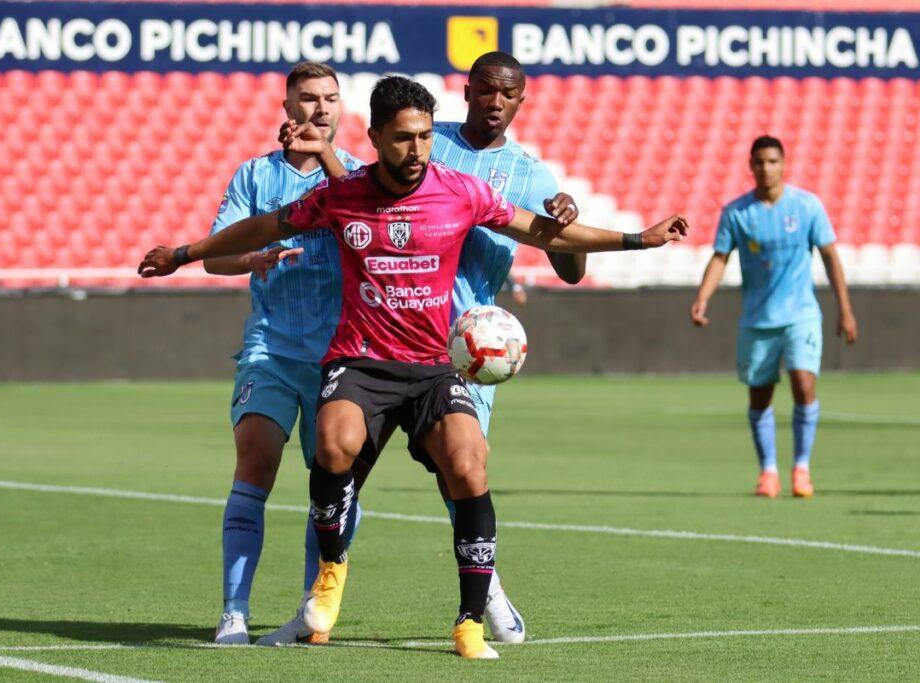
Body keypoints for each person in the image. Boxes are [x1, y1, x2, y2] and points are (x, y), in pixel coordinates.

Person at [139, 75, 688, 658]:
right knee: (332, 446)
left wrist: (636, 239)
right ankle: (328, 578)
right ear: (375, 137)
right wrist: (183, 253)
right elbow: (265, 226)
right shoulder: (340, 194)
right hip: (362, 360)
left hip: (432, 366)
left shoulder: (462, 191)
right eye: (403, 139)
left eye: (426, 136)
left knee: (470, 466)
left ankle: (471, 620)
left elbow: (540, 230)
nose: (417, 150)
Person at [272, 50, 581, 645]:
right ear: (466, 92)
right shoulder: (424, 135)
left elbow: (566, 263)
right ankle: (317, 603)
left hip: (470, 350)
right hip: (382, 334)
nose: (495, 102)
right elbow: (357, 196)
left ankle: (481, 599)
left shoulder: (534, 174)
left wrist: (572, 224)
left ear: (521, 101)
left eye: (507, 94)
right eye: (485, 90)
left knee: (463, 471)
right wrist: (323, 153)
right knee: (341, 474)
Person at [206, 61, 365, 645]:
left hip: (341, 353)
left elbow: (362, 222)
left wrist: (325, 157)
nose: (320, 107)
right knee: (254, 464)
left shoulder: (358, 177)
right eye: (308, 98)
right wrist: (252, 259)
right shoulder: (253, 176)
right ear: (287, 107)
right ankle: (234, 611)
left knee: (332, 480)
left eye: (330, 98)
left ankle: (314, 608)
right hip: (271, 345)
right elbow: (215, 253)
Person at [691, 135, 857, 499]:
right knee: (760, 397)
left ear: (783, 164)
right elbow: (720, 257)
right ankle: (768, 472)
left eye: (772, 161)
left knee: (804, 384)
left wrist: (845, 309)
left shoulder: (807, 207)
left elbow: (830, 256)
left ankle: (801, 469)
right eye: (760, 162)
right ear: (751, 166)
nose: (766, 168)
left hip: (800, 316)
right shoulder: (737, 212)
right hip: (757, 320)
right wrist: (703, 296)